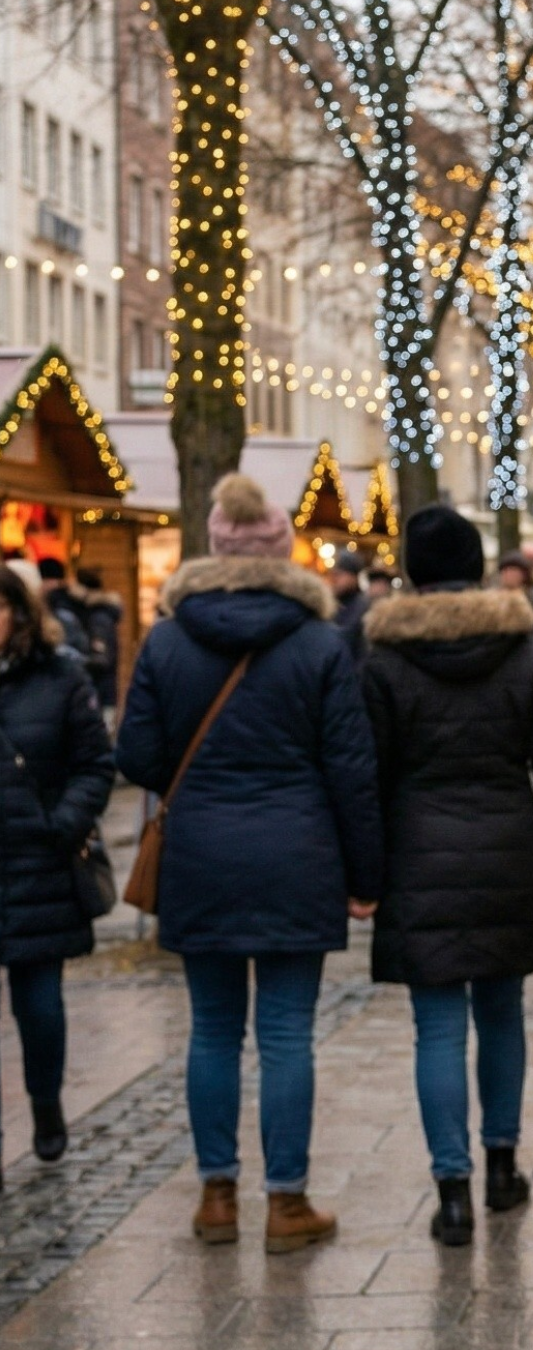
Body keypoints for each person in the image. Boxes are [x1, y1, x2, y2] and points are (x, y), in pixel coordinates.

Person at [117, 473, 383, 1253]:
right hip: (299, 856)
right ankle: (287, 1204)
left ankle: (216, 1196)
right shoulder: (319, 642)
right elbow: (351, 769)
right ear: (280, 553)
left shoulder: (168, 639)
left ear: (215, 545)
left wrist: (195, 784)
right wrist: (366, 877)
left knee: (211, 1031)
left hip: (200, 856)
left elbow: (136, 755)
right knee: (287, 1034)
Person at [361, 506, 533, 1245]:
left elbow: (366, 776)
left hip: (416, 853)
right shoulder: (521, 652)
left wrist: (363, 874)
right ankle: (502, 1168)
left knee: (436, 1026)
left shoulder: (384, 660)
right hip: (507, 847)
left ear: (411, 570)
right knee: (502, 1014)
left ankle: (452, 1193)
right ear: (475, 567)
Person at [0, 562, 114, 1186]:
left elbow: (95, 762)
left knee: (39, 1004)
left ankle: (45, 1102)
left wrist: (64, 822)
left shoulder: (60, 675)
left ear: (18, 612)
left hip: (38, 860)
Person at [71, 566, 124, 713]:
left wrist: (74, 661)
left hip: (100, 696)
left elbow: (101, 658)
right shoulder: (96, 614)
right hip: (100, 695)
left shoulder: (98, 618)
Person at [496, 551, 533, 638]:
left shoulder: (532, 596)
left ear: (524, 574)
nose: (508, 574)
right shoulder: (495, 597)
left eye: (513, 570)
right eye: (505, 571)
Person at [326, 549, 369, 638]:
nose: (334, 579)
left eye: (339, 575)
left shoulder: (363, 607)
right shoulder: (329, 603)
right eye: (332, 574)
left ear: (354, 577)